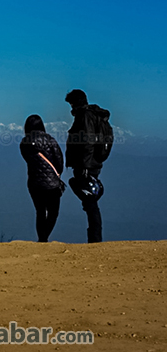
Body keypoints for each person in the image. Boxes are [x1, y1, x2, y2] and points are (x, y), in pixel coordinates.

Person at [64, 89, 111, 243]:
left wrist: (84, 165)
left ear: (76, 103)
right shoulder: (93, 115)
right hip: (93, 163)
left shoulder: (85, 116)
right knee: (89, 200)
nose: (71, 108)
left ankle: (95, 238)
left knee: (90, 202)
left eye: (72, 104)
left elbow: (88, 141)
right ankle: (94, 236)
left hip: (87, 165)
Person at [19, 114, 65, 242]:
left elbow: (28, 159)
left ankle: (42, 239)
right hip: (52, 184)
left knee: (40, 211)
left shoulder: (24, 143)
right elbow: (59, 161)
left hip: (34, 183)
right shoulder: (50, 140)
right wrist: (56, 174)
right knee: (53, 213)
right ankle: (43, 238)